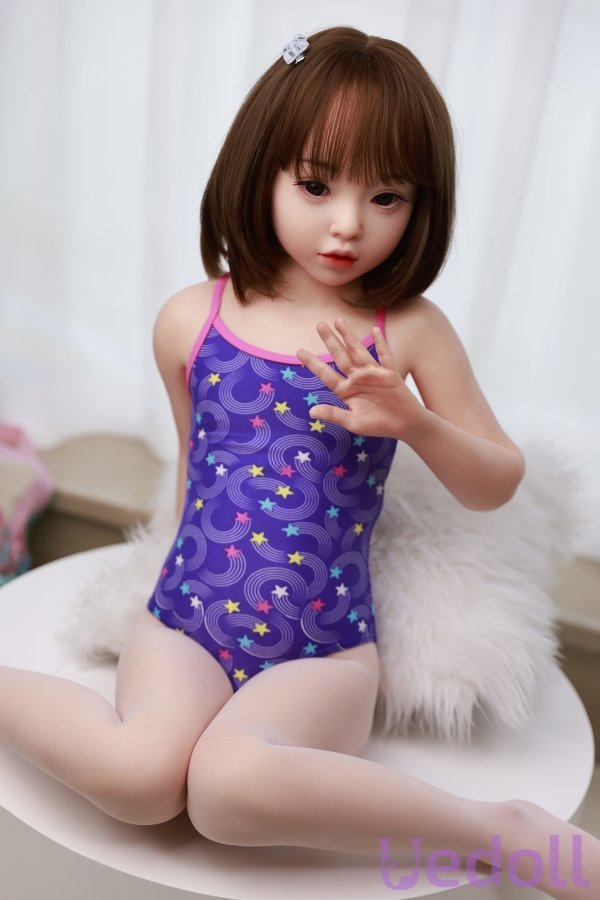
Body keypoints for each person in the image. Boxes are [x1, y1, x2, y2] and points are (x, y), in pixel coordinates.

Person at [0, 26, 598, 897]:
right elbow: (193, 473)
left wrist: (415, 423)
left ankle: (499, 833)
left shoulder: (409, 330)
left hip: (326, 652)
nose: (348, 224)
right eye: (316, 185)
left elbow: (497, 482)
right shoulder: (191, 319)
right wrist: (160, 586)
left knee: (227, 789)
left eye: (387, 196)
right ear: (262, 170)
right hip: (186, 624)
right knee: (141, 777)